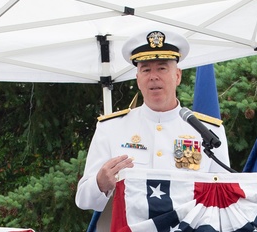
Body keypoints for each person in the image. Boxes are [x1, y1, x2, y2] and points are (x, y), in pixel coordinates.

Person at [75, 29, 231, 212]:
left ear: (178, 76)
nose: (153, 76)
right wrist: (100, 183)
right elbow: (84, 200)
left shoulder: (207, 131)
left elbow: (224, 195)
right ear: (138, 79)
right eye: (146, 70)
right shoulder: (111, 128)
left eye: (162, 68)